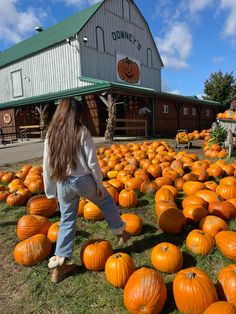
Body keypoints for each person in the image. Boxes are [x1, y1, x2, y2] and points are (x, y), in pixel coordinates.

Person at [43, 97, 129, 283]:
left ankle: (59, 266)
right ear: (78, 114)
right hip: (83, 181)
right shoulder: (81, 131)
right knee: (105, 201)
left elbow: (47, 165)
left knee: (66, 221)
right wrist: (98, 184)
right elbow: (92, 162)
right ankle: (122, 233)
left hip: (62, 184)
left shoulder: (51, 134)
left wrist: (51, 192)